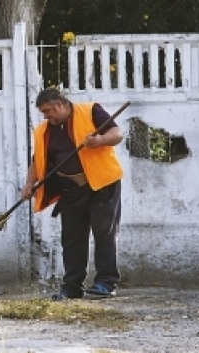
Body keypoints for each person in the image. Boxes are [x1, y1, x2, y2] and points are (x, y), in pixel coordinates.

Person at [20, 88, 124, 300]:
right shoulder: (43, 131)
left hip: (102, 185)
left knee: (104, 233)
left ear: (59, 104)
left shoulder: (91, 111)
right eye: (43, 113)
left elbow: (117, 134)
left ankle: (105, 283)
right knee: (72, 238)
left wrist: (99, 141)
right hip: (70, 190)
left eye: (48, 111)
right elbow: (37, 160)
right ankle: (72, 287)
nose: (46, 116)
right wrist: (30, 184)